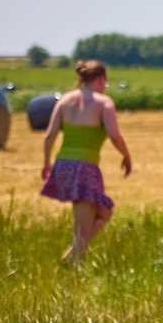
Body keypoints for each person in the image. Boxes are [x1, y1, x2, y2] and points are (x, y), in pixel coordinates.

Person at [39, 59, 134, 265]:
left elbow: (49, 135)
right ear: (100, 79)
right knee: (83, 230)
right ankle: (74, 271)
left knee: (104, 212)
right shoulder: (104, 103)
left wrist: (47, 163)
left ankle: (69, 257)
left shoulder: (64, 100)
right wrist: (126, 156)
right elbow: (115, 135)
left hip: (63, 165)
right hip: (84, 167)